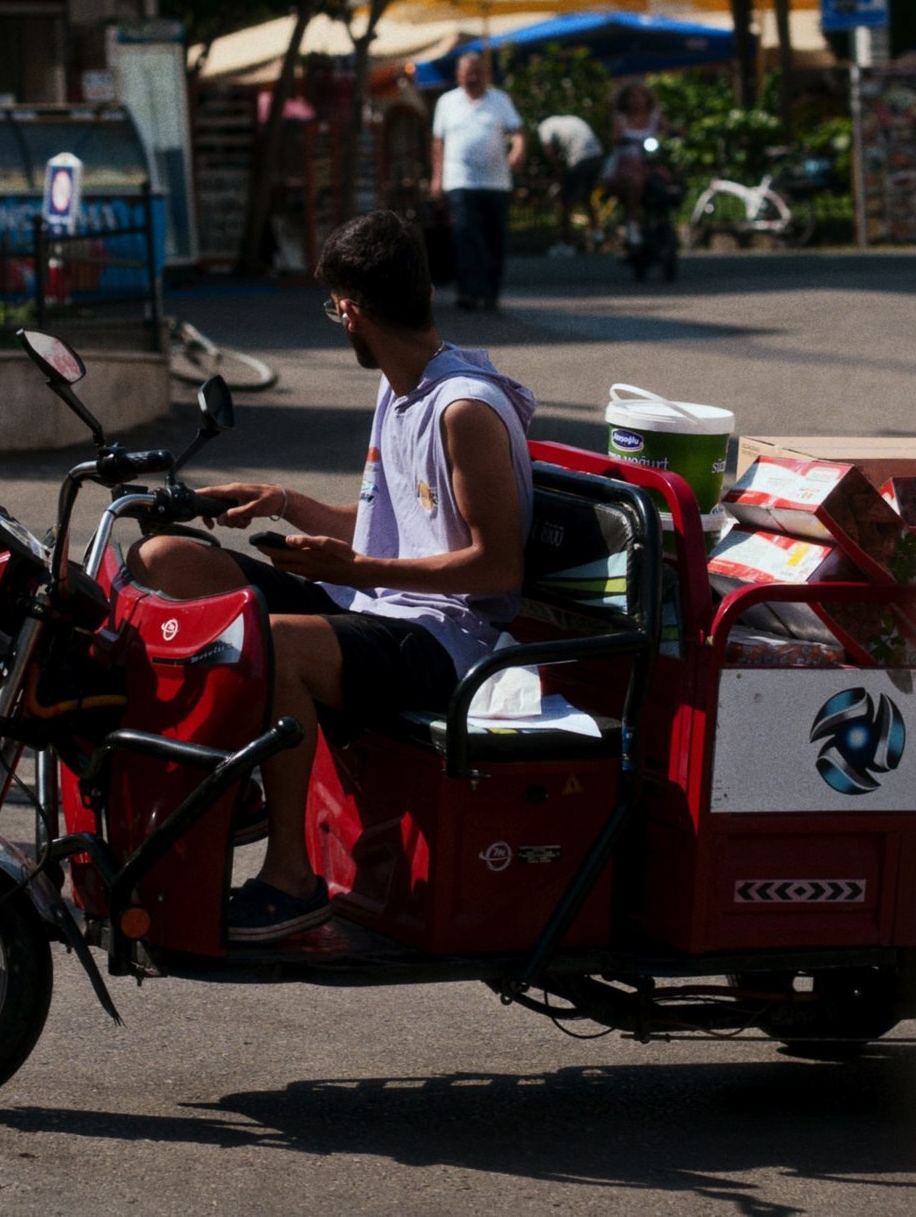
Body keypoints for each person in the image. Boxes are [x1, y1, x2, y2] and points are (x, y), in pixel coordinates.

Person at [129, 210, 534, 944]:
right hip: (375, 602)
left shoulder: (463, 409)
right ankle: (240, 782)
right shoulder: (400, 385)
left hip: (449, 641)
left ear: (350, 312)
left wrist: (355, 569)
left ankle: (292, 878)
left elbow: (497, 566)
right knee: (166, 560)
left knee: (277, 645)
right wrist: (282, 501)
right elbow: (394, 522)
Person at [428, 51, 525, 312]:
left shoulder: (500, 99)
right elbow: (438, 143)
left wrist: (518, 149)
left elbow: (518, 131)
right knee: (464, 235)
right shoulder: (447, 102)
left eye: (478, 73)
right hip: (459, 179)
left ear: (485, 74)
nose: (473, 78)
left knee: (494, 237)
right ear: (458, 76)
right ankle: (469, 292)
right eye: (468, 73)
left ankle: (491, 293)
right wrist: (437, 178)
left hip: (496, 182)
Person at [534, 111, 603, 254]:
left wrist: (558, 171)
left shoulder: (545, 125)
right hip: (597, 156)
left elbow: (547, 149)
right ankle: (597, 232)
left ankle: (567, 243)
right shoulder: (571, 119)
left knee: (565, 201)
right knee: (585, 196)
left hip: (580, 158)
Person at [603, 82, 662, 217]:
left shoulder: (654, 116)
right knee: (635, 182)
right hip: (625, 164)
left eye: (640, 96)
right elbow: (613, 138)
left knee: (665, 178)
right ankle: (631, 220)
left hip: (649, 161)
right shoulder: (619, 119)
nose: (636, 100)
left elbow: (670, 129)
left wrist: (681, 132)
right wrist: (618, 139)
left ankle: (662, 218)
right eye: (632, 97)